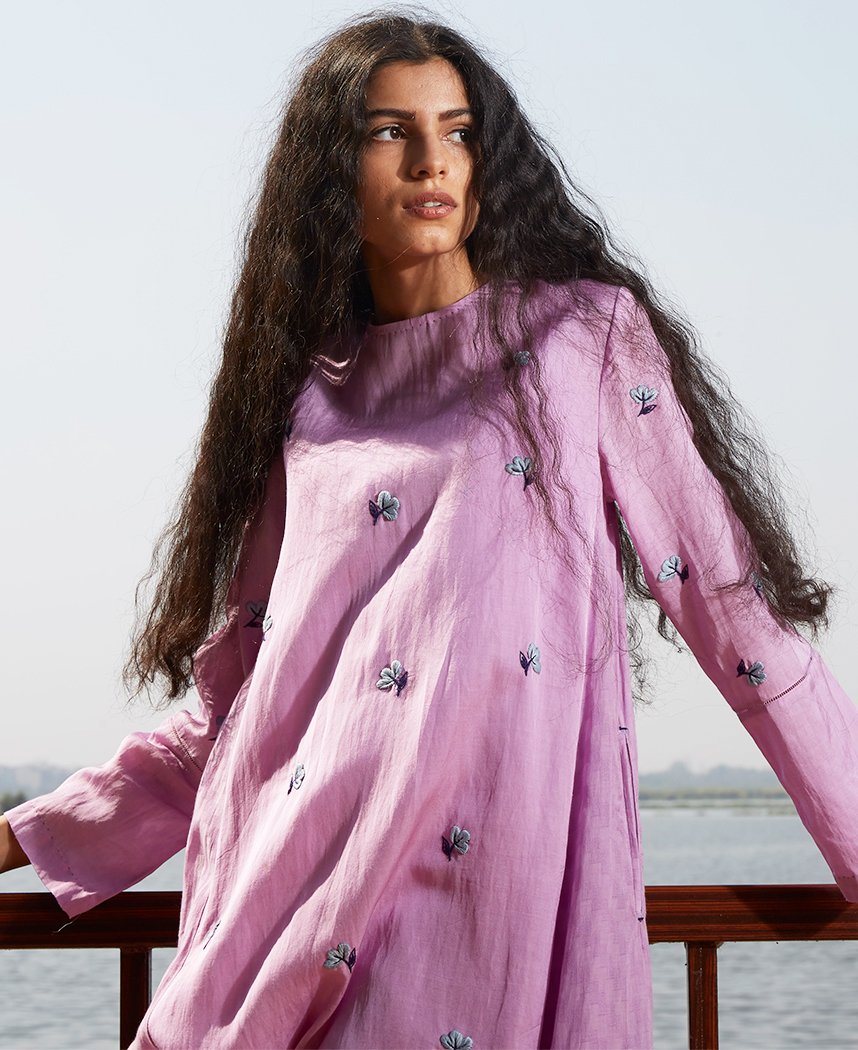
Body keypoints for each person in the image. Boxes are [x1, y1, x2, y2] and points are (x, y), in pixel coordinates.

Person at [2, 9, 858, 1049]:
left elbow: (736, 622)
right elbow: (243, 709)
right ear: (331, 174)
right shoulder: (304, 398)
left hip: (491, 934)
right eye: (388, 132)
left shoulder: (581, 339)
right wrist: (25, 838)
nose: (430, 161)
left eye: (457, 131)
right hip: (279, 937)